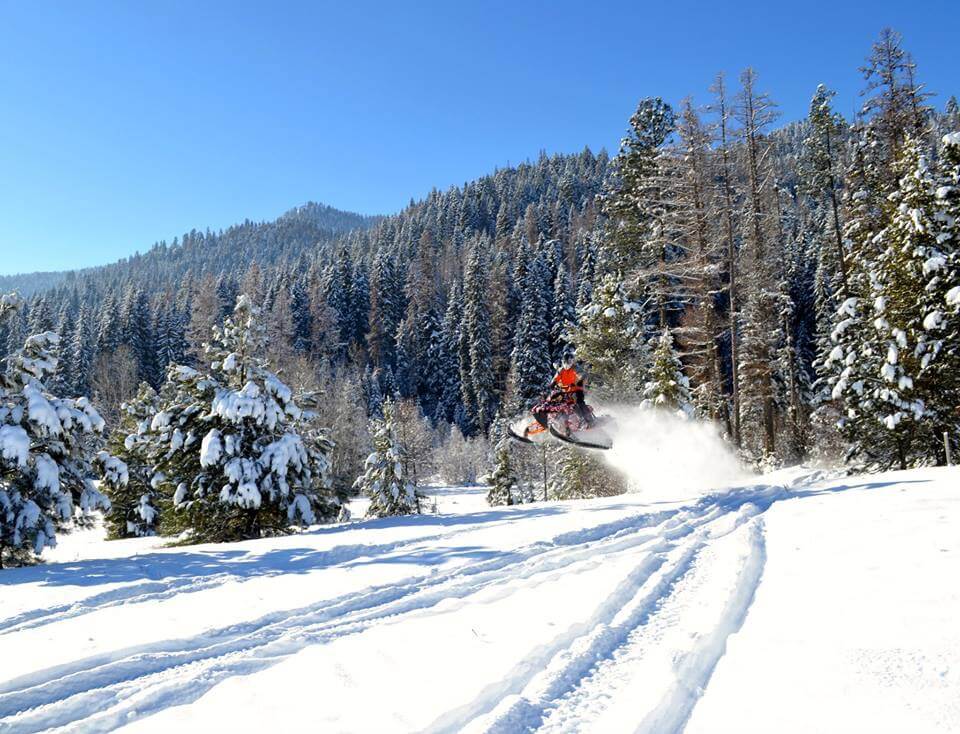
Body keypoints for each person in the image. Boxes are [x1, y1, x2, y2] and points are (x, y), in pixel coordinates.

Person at [533, 349, 592, 428]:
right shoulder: (561, 370)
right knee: (552, 401)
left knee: (577, 401)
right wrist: (552, 384)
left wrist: (579, 381)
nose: (567, 364)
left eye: (569, 361)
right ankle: (547, 420)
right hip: (565, 392)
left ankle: (587, 419)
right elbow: (556, 378)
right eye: (566, 362)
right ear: (563, 361)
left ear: (572, 361)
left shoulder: (576, 368)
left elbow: (583, 375)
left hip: (577, 390)